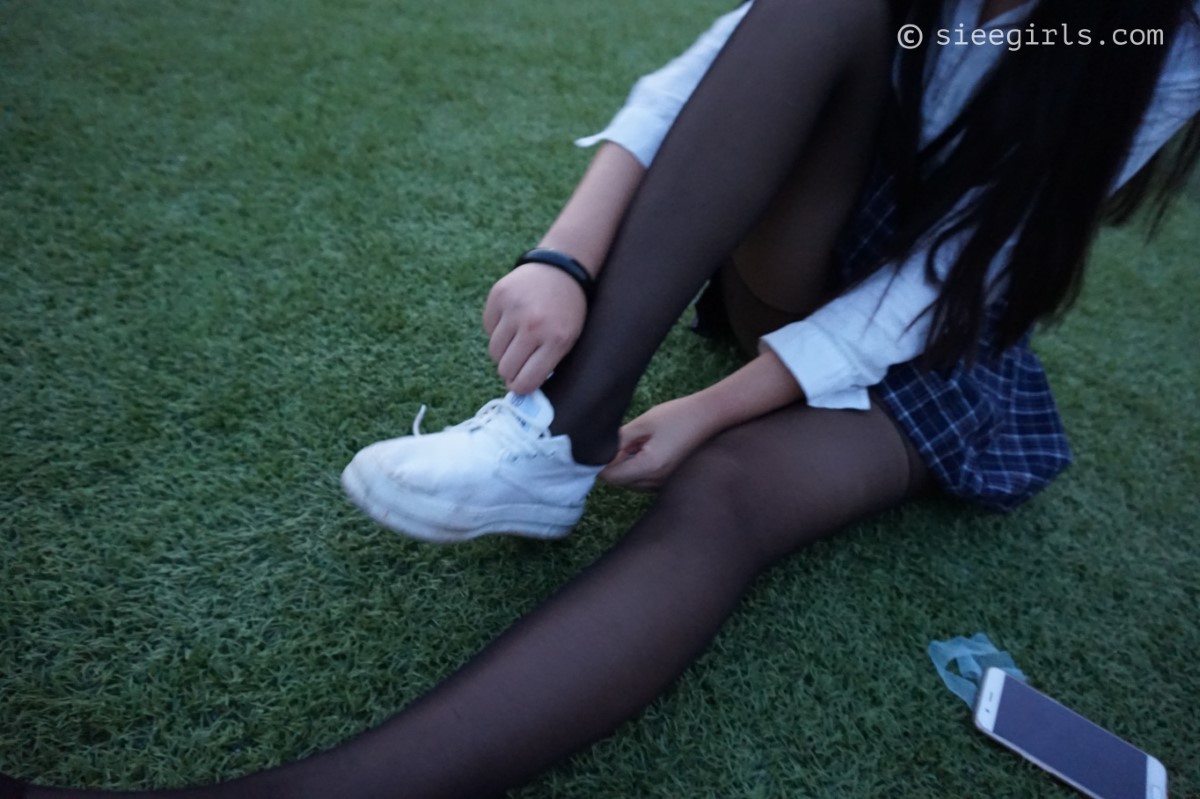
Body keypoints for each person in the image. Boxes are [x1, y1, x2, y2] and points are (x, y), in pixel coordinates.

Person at [6, 0, 1199, 797]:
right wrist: (562, 258)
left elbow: (955, 278)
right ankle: (557, 434)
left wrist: (716, 408)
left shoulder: (1155, 32)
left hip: (939, 327)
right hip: (817, 233)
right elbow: (710, 73)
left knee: (729, 491)